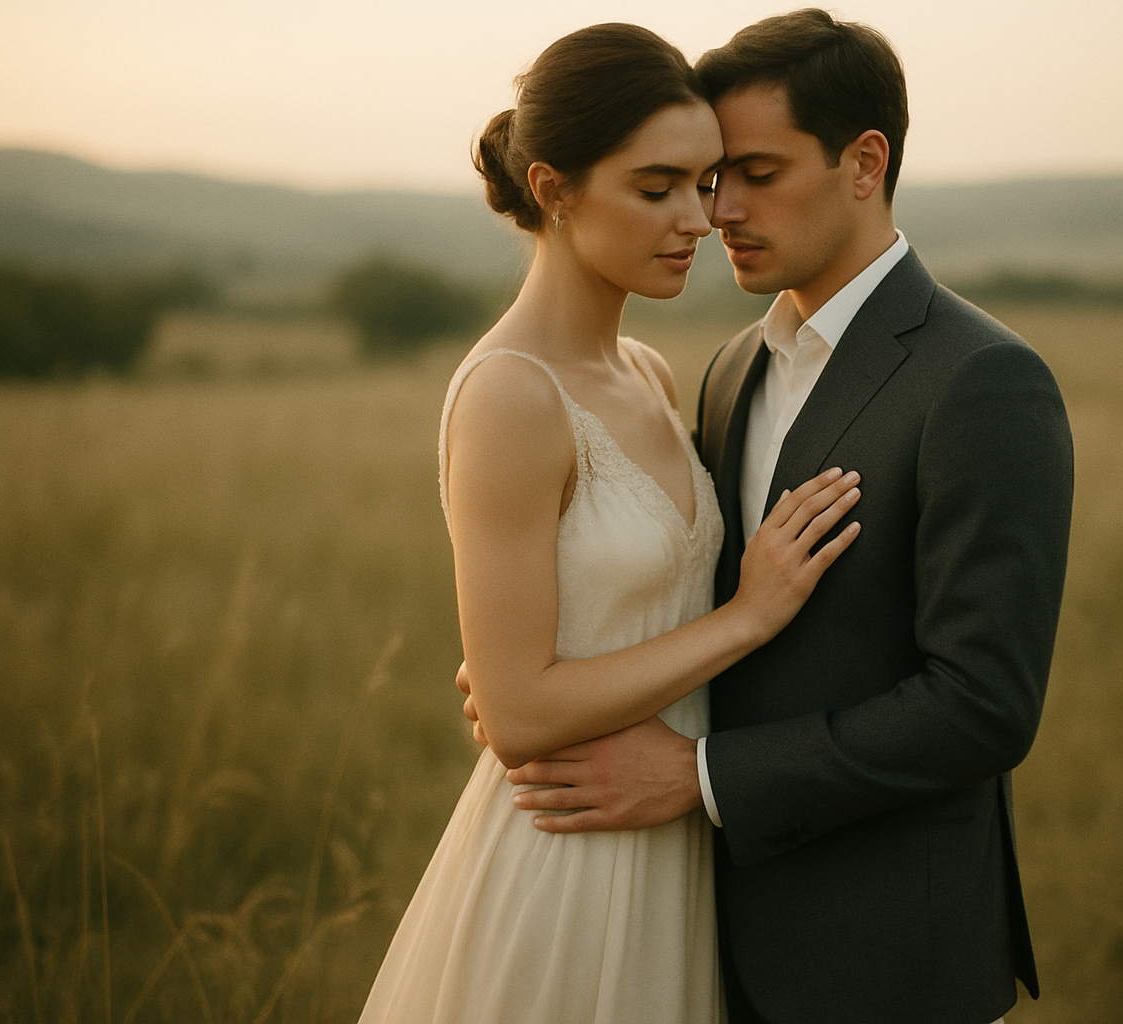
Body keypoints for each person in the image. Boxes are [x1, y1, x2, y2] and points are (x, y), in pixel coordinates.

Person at [491, 10, 1075, 1024]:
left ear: (864, 161)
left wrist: (703, 776)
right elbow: (698, 592)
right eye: (709, 177)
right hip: (704, 936)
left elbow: (984, 702)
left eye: (756, 172)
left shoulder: (982, 380)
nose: (719, 210)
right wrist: (555, 675)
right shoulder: (730, 369)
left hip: (886, 956)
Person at [357, 23, 862, 1024]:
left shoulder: (649, 373)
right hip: (566, 861)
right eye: (656, 186)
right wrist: (746, 619)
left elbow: (596, 626)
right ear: (553, 188)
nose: (698, 218)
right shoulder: (510, 395)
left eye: (707, 181)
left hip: (673, 842)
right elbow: (518, 716)